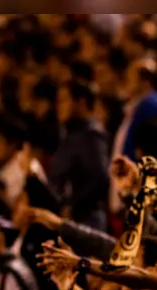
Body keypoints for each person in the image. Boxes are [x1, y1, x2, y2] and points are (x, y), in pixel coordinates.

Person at [49, 79, 111, 231]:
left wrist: (73, 206)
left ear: (81, 103)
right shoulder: (71, 135)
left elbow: (100, 178)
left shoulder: (91, 135)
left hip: (86, 220)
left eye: (64, 101)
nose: (58, 107)